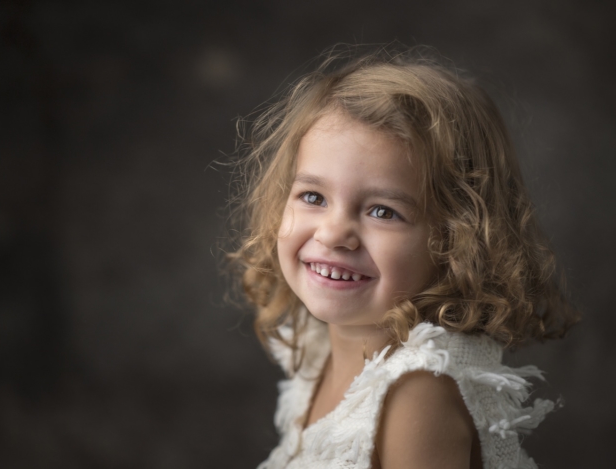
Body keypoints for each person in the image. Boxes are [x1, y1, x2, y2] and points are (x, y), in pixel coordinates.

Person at [226, 47, 579, 469]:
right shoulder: (319, 346)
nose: (334, 233)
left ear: (457, 240)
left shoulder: (418, 391)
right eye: (313, 197)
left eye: (383, 211)